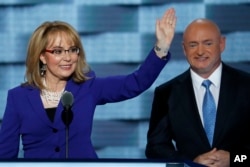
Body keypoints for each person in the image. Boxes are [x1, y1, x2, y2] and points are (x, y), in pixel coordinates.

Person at [0, 8, 177, 159]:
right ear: (42, 56)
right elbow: (5, 155)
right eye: (58, 51)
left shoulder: (87, 87)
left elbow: (135, 83)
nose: (68, 57)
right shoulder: (18, 97)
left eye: (73, 50)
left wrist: (161, 46)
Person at [145, 18, 250, 167]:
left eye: (208, 43)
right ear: (184, 49)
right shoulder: (166, 93)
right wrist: (189, 163)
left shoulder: (246, 86)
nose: (200, 51)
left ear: (222, 44)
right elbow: (155, 149)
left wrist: (234, 159)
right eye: (193, 45)